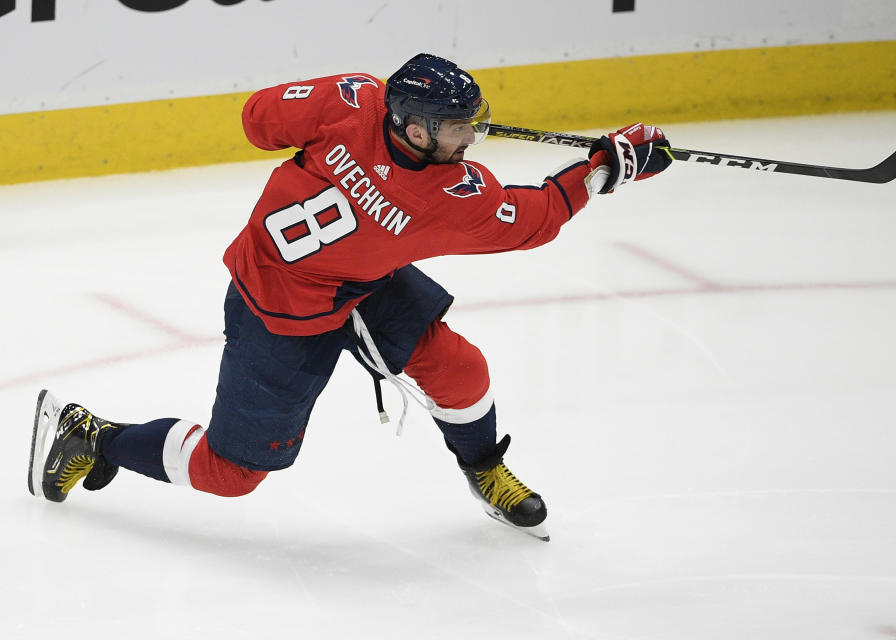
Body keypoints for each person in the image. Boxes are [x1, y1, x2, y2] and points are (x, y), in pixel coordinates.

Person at [27, 53, 671, 541]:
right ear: (414, 130)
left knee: (460, 367)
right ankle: (96, 437)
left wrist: (334, 106)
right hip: (277, 312)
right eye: (456, 128)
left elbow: (257, 120)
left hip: (357, 281)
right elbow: (532, 218)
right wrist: (608, 166)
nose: (470, 139)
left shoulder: (357, 99)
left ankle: (483, 469)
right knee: (233, 474)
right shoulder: (442, 199)